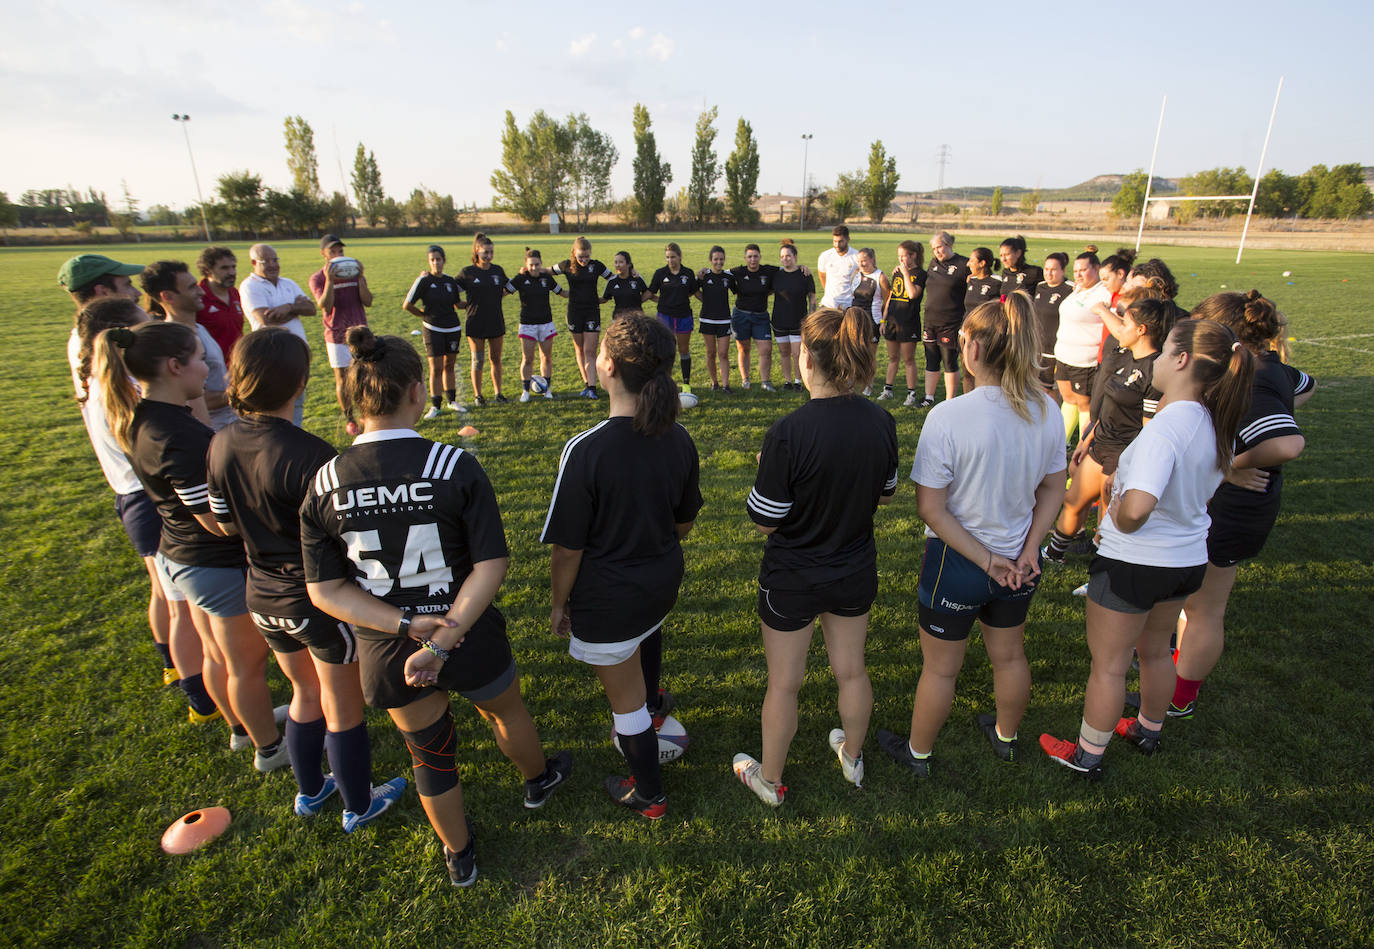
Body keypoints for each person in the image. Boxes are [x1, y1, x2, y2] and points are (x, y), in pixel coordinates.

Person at [302, 326, 572, 886]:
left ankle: (459, 853)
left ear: (353, 400)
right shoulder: (453, 465)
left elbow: (325, 590)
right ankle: (537, 780)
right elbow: (490, 564)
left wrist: (405, 624)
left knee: (429, 752)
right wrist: (444, 636)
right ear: (417, 391)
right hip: (466, 629)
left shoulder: (324, 482)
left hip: (389, 648)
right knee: (505, 712)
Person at [208, 328, 407, 828]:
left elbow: (225, 524)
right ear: (300, 382)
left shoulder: (219, 443)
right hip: (315, 600)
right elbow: (346, 537)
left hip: (260, 595)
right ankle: (359, 804)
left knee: (303, 692)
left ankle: (312, 791)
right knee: (342, 708)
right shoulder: (312, 455)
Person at [1040, 319, 1255, 778]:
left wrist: (1118, 514)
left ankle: (1086, 757)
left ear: (1182, 360)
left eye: (1165, 351)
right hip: (1186, 560)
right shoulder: (1211, 419)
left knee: (1109, 666)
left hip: (1136, 564)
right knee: (1156, 651)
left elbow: (1137, 509)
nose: (1155, 360)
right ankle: (1147, 730)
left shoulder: (1166, 430)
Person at [876, 294, 1066, 777]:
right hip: (1019, 564)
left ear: (975, 349)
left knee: (941, 669)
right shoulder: (1047, 410)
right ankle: (1005, 737)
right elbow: (1053, 489)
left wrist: (986, 561)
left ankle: (918, 754)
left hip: (959, 564)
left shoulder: (948, 416)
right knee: (1010, 656)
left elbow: (930, 508)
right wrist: (1030, 549)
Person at [96, 320, 287, 771]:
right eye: (201, 359)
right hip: (211, 562)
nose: (208, 369)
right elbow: (217, 524)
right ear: (174, 366)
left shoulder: (145, 417)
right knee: (246, 664)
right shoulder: (175, 436)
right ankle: (269, 748)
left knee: (217, 654)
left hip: (180, 554)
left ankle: (241, 727)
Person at [734, 306, 897, 806]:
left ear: (806, 357)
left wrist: (767, 469)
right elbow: (886, 492)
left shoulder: (789, 431)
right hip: (853, 570)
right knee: (852, 670)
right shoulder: (881, 420)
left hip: (793, 577)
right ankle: (852, 755)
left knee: (784, 684)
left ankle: (770, 781)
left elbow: (765, 519)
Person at [542, 315, 701, 820]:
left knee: (625, 706)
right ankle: (652, 702)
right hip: (661, 582)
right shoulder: (679, 437)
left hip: (610, 598)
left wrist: (559, 604)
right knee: (647, 631)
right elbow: (684, 522)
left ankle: (649, 794)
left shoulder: (586, 450)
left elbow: (567, 550)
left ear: (607, 366)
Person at [1151, 291, 1314, 720]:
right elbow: (1306, 386)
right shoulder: (1265, 368)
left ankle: (1179, 699)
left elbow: (1288, 444)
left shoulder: (1256, 378)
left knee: (1204, 608)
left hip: (1234, 509)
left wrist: (1228, 463)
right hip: (1233, 505)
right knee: (1194, 602)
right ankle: (1174, 672)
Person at [73, 297, 205, 707]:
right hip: (150, 502)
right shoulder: (133, 399)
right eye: (142, 323)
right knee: (182, 608)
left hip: (137, 499)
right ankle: (198, 694)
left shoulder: (103, 382)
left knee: (167, 595)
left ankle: (176, 668)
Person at [1042, 292, 1173, 565]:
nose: (1119, 328)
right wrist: (1085, 441)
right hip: (1100, 443)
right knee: (1073, 501)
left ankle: (1102, 569)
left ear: (1141, 330)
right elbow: (1106, 409)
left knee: (1108, 517)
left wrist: (1125, 468)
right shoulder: (1125, 356)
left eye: (1125, 323)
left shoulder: (1155, 371)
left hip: (1122, 454)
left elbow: (1150, 432)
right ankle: (1054, 555)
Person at [140, 260, 234, 431]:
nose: (201, 291)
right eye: (192, 287)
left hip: (228, 426)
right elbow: (191, 398)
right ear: (168, 296)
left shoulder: (199, 329)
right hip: (211, 431)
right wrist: (246, 391)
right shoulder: (172, 342)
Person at [238, 244, 316, 426]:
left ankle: (294, 434)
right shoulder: (250, 286)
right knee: (275, 403)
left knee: (297, 402)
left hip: (298, 353)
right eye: (266, 261)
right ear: (253, 263)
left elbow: (311, 309)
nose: (273, 265)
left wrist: (288, 307)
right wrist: (297, 309)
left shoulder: (288, 283)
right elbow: (266, 319)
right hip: (271, 356)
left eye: (275, 260)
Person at [309, 235, 374, 433]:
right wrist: (330, 280)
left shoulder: (353, 273)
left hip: (361, 334)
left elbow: (368, 301)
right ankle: (350, 419)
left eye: (341, 251)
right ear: (324, 254)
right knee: (343, 379)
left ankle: (366, 414)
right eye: (333, 252)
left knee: (365, 375)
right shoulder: (318, 278)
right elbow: (325, 305)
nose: (338, 255)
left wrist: (360, 278)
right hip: (336, 334)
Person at [60, 253, 144, 396]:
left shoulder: (79, 338)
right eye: (128, 285)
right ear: (103, 292)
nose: (137, 293)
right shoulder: (111, 343)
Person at [1053, 249, 1112, 445]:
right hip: (1064, 355)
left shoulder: (1103, 293)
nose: (1078, 275)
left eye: (1083, 270)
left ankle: (1083, 445)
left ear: (1096, 269)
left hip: (1085, 359)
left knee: (1084, 404)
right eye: (1076, 270)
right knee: (1068, 399)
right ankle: (1062, 442)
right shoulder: (1077, 289)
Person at [403, 243, 468, 419]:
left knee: (449, 366)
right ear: (429, 261)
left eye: (438, 259)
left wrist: (475, 302)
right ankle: (436, 405)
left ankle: (452, 401)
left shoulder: (450, 281)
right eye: (432, 260)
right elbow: (407, 305)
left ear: (444, 261)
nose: (435, 263)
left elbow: (457, 304)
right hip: (433, 329)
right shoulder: (424, 281)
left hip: (453, 328)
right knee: (436, 368)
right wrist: (422, 315)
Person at [553, 236, 614, 399]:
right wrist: (559, 291)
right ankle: (587, 384)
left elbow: (614, 278)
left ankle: (592, 388)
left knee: (590, 350)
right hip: (574, 312)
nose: (584, 260)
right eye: (581, 257)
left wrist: (606, 296)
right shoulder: (566, 265)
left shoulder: (597, 266)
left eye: (587, 256)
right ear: (574, 252)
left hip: (592, 311)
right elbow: (545, 272)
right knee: (579, 349)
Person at [458, 233, 513, 406]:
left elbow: (509, 287)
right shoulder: (467, 272)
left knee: (495, 359)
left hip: (496, 321)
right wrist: (460, 304)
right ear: (477, 251)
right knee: (478, 360)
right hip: (475, 322)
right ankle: (478, 395)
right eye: (485, 252)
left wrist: (523, 273)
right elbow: (450, 290)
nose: (489, 255)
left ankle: (498, 393)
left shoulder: (497, 270)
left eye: (491, 252)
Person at [921, 232, 971, 407]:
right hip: (930, 321)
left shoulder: (964, 264)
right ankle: (929, 397)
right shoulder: (933, 263)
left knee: (949, 361)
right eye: (933, 249)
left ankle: (950, 401)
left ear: (949, 244)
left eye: (939, 247)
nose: (937, 251)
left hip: (951, 322)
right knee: (931, 360)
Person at [509, 248, 566, 402]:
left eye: (537, 264)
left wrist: (582, 294)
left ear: (541, 263)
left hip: (546, 323)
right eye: (531, 265)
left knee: (546, 357)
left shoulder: (547, 278)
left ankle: (547, 390)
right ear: (526, 265)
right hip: (527, 324)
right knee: (527, 358)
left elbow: (562, 293)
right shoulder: (520, 279)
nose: (534, 268)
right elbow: (504, 291)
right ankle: (525, 391)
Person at [877, 240, 926, 407]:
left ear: (913, 255)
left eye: (904, 256)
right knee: (893, 358)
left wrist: (905, 274)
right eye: (899, 256)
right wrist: (883, 319)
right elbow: (891, 297)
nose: (901, 260)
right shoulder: (897, 272)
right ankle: (888, 390)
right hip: (893, 320)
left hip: (908, 322)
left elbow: (912, 294)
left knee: (908, 359)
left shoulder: (920, 274)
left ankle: (911, 393)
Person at [647, 242, 699, 390]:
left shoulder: (688, 273)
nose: (670, 260)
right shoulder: (660, 273)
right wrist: (636, 301)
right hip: (664, 316)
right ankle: (662, 382)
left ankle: (686, 384)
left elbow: (694, 292)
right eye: (668, 257)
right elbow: (650, 292)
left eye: (673, 257)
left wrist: (711, 302)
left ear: (680, 257)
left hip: (683, 316)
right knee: (664, 350)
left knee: (683, 349)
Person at [769, 240, 816, 392]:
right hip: (779, 321)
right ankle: (787, 381)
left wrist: (811, 317)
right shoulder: (776, 275)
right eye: (782, 256)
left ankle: (798, 382)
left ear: (795, 256)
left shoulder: (805, 274)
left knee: (797, 353)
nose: (785, 259)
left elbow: (812, 297)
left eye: (788, 256)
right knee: (784, 353)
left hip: (799, 321)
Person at [730, 244, 778, 391]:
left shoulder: (768, 271)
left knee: (766, 349)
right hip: (741, 315)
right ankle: (745, 380)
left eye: (755, 256)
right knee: (743, 348)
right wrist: (704, 272)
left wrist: (802, 267)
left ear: (760, 257)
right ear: (745, 258)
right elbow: (719, 272)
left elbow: (788, 269)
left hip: (761, 316)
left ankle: (766, 382)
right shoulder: (737, 272)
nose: (753, 260)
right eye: (749, 257)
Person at [195, 246, 246, 364]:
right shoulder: (197, 296)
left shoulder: (234, 293)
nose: (232, 272)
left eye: (233, 267)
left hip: (237, 364)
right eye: (224, 268)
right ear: (207, 271)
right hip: (212, 368)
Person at [696, 245, 737, 392]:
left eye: (721, 259)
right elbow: (693, 290)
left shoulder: (728, 277)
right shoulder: (703, 275)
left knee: (723, 353)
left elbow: (737, 292)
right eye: (716, 259)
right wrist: (706, 300)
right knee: (711, 353)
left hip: (724, 320)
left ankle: (726, 385)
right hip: (707, 320)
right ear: (710, 260)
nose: (719, 262)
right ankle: (714, 383)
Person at [1031, 252, 1071, 401]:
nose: (1048, 273)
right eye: (1046, 269)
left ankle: (1053, 414)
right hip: (1037, 348)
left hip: (1055, 351)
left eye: (1053, 270)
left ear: (1063, 270)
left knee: (1050, 392)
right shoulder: (1040, 287)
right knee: (1036, 389)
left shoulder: (1070, 289)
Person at [817, 224, 862, 309]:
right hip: (828, 304)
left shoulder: (857, 256)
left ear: (848, 239)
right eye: (834, 241)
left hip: (849, 305)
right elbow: (822, 276)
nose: (837, 245)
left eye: (840, 241)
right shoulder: (825, 256)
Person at [601, 251, 650, 320]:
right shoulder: (612, 281)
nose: (618, 265)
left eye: (621, 262)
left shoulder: (637, 278)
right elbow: (604, 299)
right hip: (618, 319)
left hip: (637, 319)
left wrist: (638, 301)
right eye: (616, 262)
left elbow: (648, 293)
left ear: (628, 264)